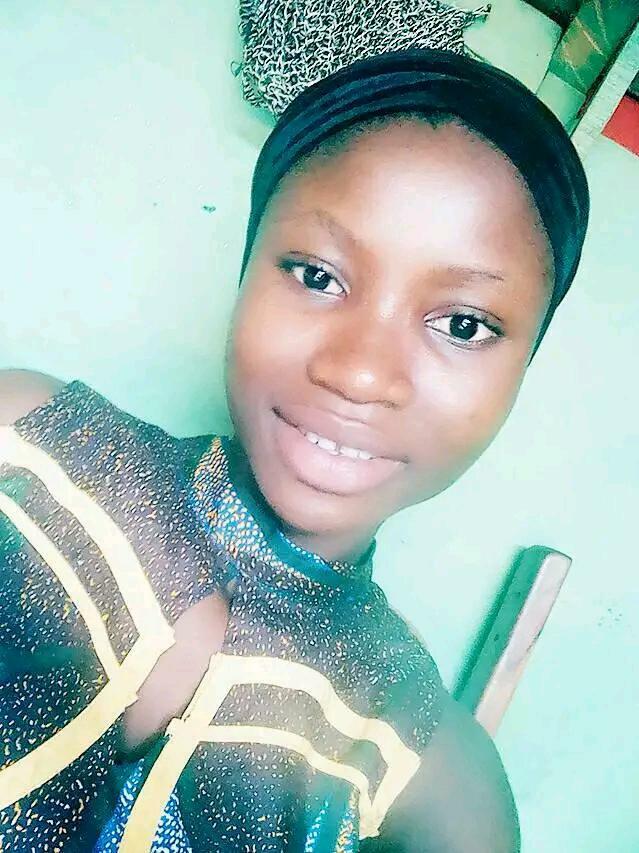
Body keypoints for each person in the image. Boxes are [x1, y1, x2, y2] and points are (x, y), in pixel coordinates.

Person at [0, 48, 588, 852]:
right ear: (245, 270)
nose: (360, 371)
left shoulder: (437, 791)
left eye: (461, 324)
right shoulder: (26, 441)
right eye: (316, 275)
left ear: (521, 370)